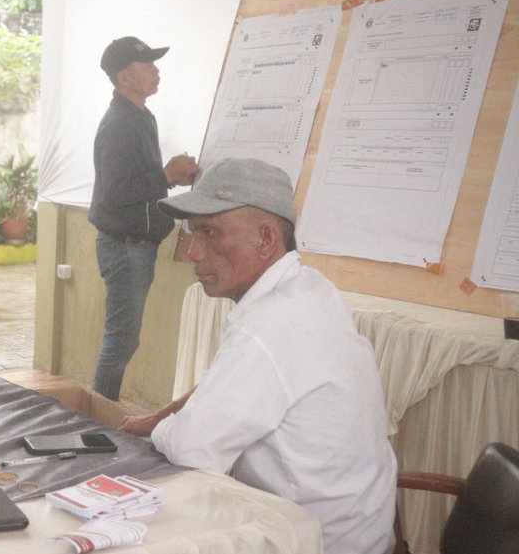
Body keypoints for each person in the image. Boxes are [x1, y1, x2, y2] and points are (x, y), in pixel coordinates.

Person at [119, 158, 397, 554]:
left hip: (316, 541)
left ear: (265, 238)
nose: (194, 253)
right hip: (360, 529)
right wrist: (160, 416)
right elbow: (228, 385)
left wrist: (164, 430)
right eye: (191, 233)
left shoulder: (271, 324)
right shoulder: (310, 288)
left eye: (210, 232)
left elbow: (190, 449)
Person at [88, 36, 200, 400]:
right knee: (121, 339)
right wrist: (166, 175)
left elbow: (136, 183)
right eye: (146, 64)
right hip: (125, 247)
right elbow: (116, 193)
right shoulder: (120, 122)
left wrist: (170, 179)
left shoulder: (139, 116)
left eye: (155, 62)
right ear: (123, 77)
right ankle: (96, 416)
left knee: (124, 338)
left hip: (136, 245)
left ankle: (99, 412)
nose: (155, 69)